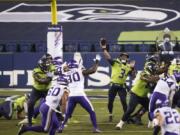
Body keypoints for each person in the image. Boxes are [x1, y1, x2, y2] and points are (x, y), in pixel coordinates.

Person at [59, 55, 101, 133]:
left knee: (68, 114)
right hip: (80, 95)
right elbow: (93, 70)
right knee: (91, 111)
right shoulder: (79, 70)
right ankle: (95, 128)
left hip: (71, 97)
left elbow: (64, 69)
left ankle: (61, 127)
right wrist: (97, 61)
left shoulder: (67, 73)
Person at [115, 55, 160, 130]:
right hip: (135, 94)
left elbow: (154, 83)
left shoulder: (154, 75)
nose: (156, 68)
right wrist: (158, 77)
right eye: (154, 67)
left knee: (151, 109)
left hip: (143, 96)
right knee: (130, 109)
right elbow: (149, 80)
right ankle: (120, 124)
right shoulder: (143, 73)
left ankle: (151, 123)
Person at [100, 38, 136, 122]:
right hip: (113, 85)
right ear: (120, 57)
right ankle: (110, 114)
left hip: (122, 86)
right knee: (110, 102)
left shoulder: (128, 66)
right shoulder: (116, 62)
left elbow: (134, 77)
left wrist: (133, 68)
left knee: (124, 102)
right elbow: (108, 57)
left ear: (127, 58)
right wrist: (104, 48)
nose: (124, 57)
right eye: (123, 56)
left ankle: (126, 118)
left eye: (126, 56)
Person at [27, 53, 55, 126]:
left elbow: (49, 79)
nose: (49, 62)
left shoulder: (51, 67)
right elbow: (41, 81)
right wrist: (46, 78)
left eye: (50, 60)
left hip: (47, 90)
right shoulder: (36, 70)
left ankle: (59, 118)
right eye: (48, 60)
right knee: (30, 104)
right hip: (37, 90)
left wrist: (47, 78)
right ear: (42, 62)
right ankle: (29, 121)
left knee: (54, 102)